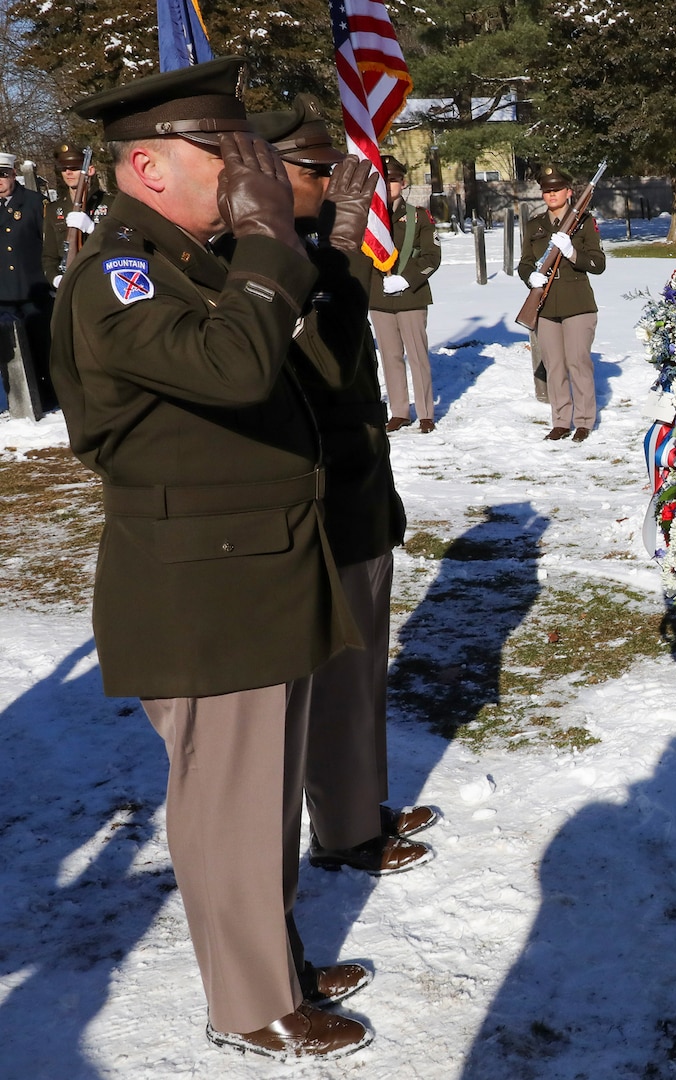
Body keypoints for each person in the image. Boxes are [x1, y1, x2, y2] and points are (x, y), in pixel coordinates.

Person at [51, 57, 372, 1060]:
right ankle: (249, 1004)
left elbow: (313, 370)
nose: (248, 167)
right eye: (223, 151)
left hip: (255, 567)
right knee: (229, 803)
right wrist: (274, 239)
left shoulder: (201, 259)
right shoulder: (121, 275)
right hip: (203, 584)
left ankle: (269, 960)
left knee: (262, 795)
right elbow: (234, 369)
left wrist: (315, 245)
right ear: (147, 168)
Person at [250, 96, 434, 876]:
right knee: (332, 675)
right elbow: (319, 360)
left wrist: (343, 246)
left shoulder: (313, 248)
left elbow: (350, 350)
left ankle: (359, 809)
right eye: (316, 171)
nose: (333, 184)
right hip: (317, 495)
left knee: (361, 670)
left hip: (357, 486)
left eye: (335, 171)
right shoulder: (258, 259)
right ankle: (344, 832)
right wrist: (344, 249)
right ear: (265, 172)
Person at [517, 163, 605, 442]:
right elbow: (525, 263)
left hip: (577, 304)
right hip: (545, 306)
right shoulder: (534, 225)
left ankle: (583, 421)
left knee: (578, 362)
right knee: (554, 365)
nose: (551, 194)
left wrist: (571, 252)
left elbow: (597, 263)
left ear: (569, 192)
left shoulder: (584, 222)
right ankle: (560, 421)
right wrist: (530, 277)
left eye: (557, 189)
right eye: (546, 190)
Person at [368, 155, 440, 433]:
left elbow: (432, 256)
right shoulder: (370, 218)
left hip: (411, 296)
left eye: (393, 180)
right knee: (390, 357)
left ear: (403, 182)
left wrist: (406, 280)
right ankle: (399, 411)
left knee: (417, 355)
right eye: (383, 181)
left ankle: (425, 413)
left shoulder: (418, 216)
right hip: (380, 297)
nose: (388, 186)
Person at [0, 149, 59, 409]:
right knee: (10, 355)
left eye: (2, 175)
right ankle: (19, 402)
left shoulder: (35, 203)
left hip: (34, 289)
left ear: (13, 174)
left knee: (42, 346)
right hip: (4, 295)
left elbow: (49, 245)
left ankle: (50, 397)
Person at [49, 143, 112, 282]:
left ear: (90, 170)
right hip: (69, 282)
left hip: (103, 280)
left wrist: (93, 229)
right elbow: (49, 256)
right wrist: (55, 279)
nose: (68, 172)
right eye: (64, 168)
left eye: (74, 168)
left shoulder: (110, 203)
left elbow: (123, 244)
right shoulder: (53, 209)